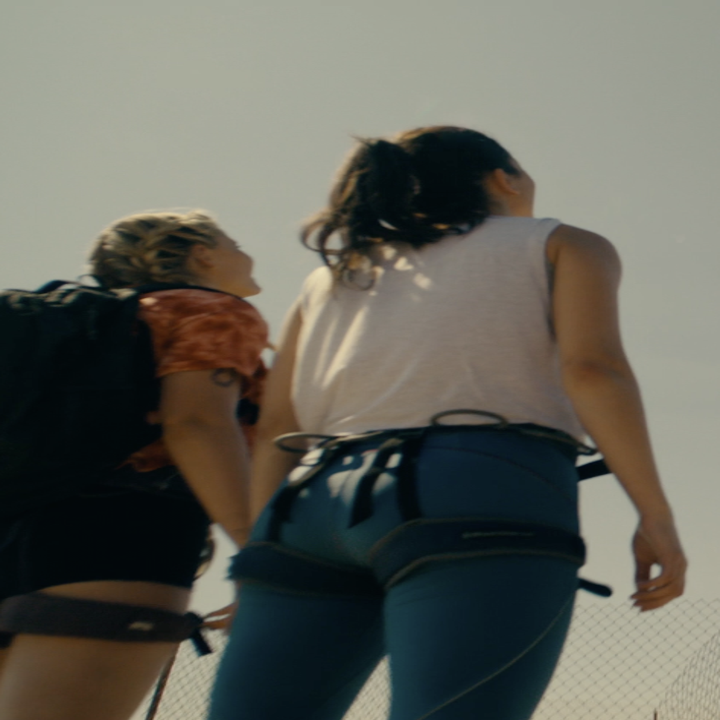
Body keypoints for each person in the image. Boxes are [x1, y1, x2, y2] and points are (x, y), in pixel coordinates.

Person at [210, 127, 687, 720]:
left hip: (310, 504)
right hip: (479, 489)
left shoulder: (333, 276)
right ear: (504, 179)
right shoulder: (563, 245)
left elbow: (280, 423)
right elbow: (593, 371)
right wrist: (655, 516)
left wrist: (262, 551)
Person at [0, 210, 267, 720]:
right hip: (120, 537)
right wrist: (258, 551)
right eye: (234, 243)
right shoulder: (208, 310)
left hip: (15, 532)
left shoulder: (77, 328)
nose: (247, 255)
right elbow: (195, 422)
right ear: (203, 254)